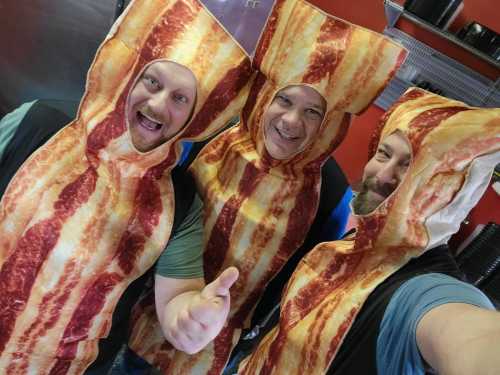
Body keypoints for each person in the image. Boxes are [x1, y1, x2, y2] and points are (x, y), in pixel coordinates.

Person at [127, 0, 407, 373]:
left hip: (213, 354)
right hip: (135, 312)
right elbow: (158, 196)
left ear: (331, 123)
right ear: (264, 96)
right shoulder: (210, 137)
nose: (292, 121)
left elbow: (298, 286)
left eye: (313, 111)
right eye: (285, 100)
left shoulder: (332, 193)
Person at [0, 0, 253, 374]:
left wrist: (194, 320)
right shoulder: (37, 124)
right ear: (129, 77)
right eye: (152, 82)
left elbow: (177, 300)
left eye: (180, 98)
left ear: (194, 118)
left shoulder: (178, 203)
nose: (158, 103)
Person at [238, 87, 500, 375]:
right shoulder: (354, 245)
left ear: (456, 197)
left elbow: (475, 341)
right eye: (384, 154)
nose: (384, 174)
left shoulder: (423, 292)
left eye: (416, 170)